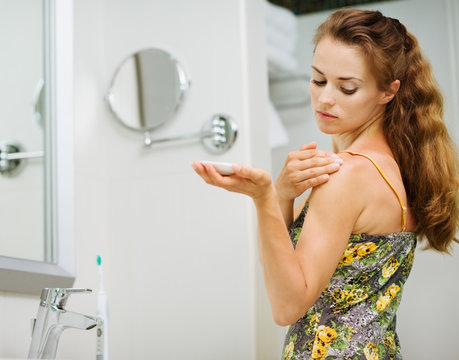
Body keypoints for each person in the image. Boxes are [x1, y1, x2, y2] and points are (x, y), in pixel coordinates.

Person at [192, 8, 459, 360]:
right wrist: (282, 195)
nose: (325, 98)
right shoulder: (395, 168)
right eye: (318, 80)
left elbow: (287, 306)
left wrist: (262, 198)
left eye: (347, 87)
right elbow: (287, 265)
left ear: (388, 92)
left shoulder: (348, 175)